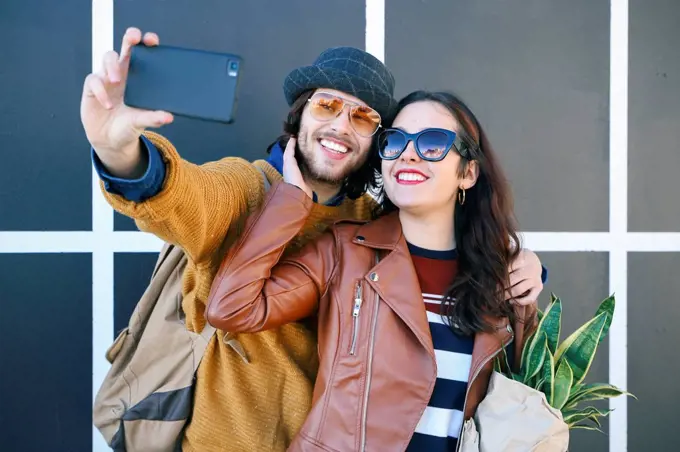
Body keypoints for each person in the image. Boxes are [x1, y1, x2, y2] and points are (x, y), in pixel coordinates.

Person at [81, 26, 545, 451]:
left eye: (363, 118)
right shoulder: (249, 190)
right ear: (300, 114)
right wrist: (118, 149)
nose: (341, 126)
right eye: (326, 106)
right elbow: (184, 195)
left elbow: (448, 241)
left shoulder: (371, 223)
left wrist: (523, 263)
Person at [205, 90, 538, 452]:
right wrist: (290, 199)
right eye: (394, 141)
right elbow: (232, 307)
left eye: (432, 143)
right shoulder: (344, 253)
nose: (408, 154)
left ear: (468, 172)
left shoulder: (503, 282)